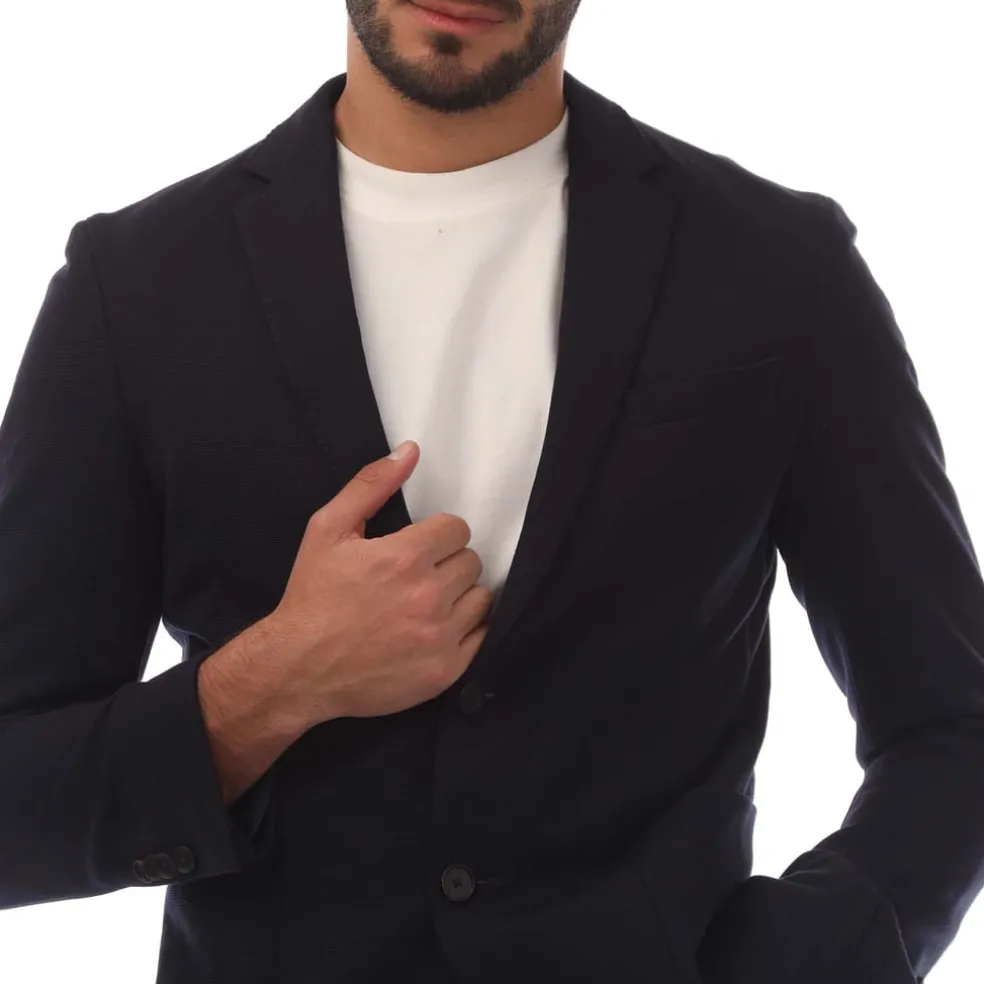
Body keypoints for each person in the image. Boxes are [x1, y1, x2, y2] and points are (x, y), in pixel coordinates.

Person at [0, 1, 980, 981]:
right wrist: (275, 683)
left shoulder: (777, 266)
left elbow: (953, 725)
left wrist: (811, 956)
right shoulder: (134, 290)